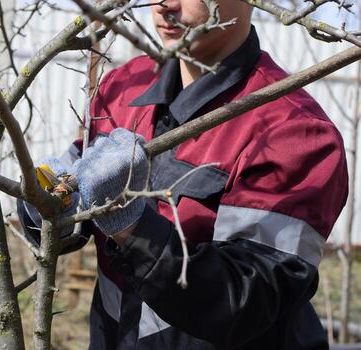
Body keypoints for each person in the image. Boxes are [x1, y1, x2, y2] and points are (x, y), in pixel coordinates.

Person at [18, 0, 348, 348]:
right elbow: (66, 222)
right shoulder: (124, 87)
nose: (163, 5)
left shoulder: (293, 133)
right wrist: (46, 203)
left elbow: (247, 301)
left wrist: (132, 229)